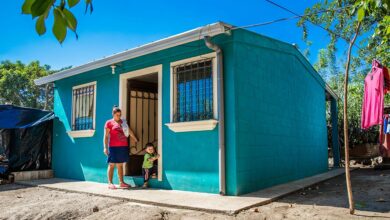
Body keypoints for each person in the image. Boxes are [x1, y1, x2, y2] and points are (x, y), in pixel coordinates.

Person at [103, 106, 138, 189]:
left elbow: (129, 131)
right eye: (117, 115)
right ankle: (110, 183)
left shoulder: (123, 122)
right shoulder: (109, 123)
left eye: (120, 115)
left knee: (120, 165)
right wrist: (105, 147)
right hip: (113, 147)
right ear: (113, 114)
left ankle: (121, 182)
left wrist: (135, 138)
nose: (119, 116)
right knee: (111, 165)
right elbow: (106, 136)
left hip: (123, 146)